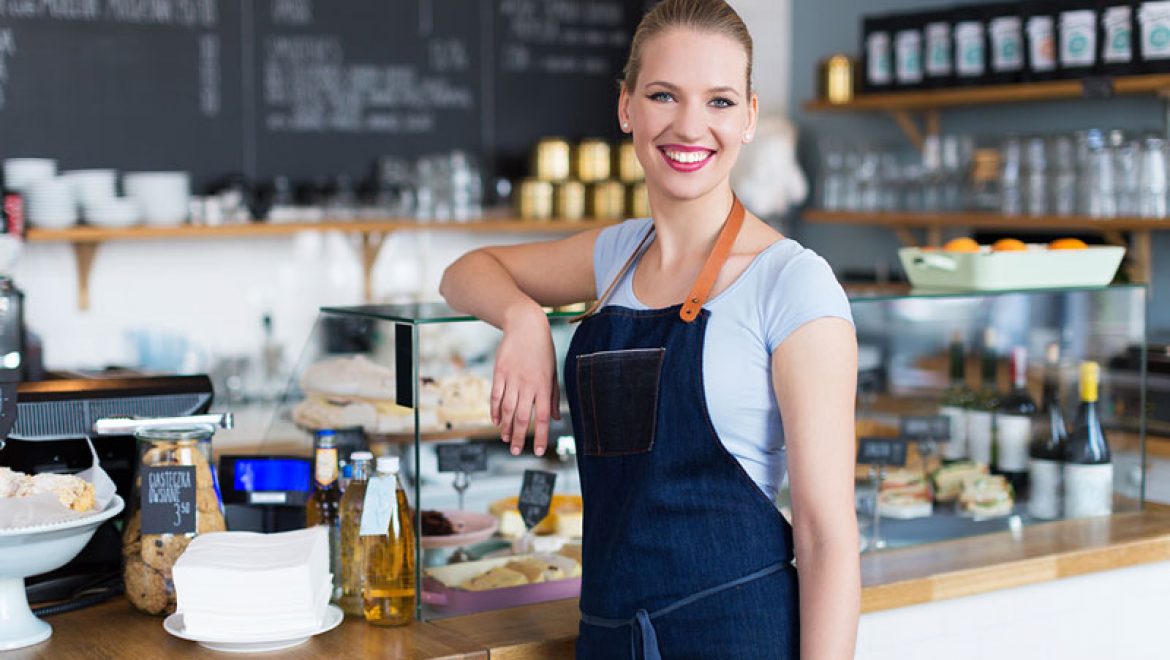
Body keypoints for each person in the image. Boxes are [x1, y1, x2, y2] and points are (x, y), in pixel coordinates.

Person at [439, 0, 859, 657]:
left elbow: (826, 537)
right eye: (664, 95)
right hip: (608, 638)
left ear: (749, 117)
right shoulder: (613, 257)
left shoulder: (792, 283)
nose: (690, 126)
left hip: (737, 638)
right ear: (627, 107)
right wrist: (524, 320)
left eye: (719, 101)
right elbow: (466, 271)